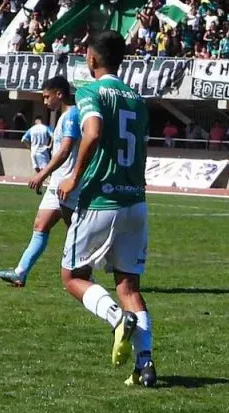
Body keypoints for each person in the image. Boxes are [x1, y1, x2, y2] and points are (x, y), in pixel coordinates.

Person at [55, 30, 156, 388]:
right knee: (129, 286)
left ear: (92, 58)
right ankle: (146, 365)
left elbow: (93, 133)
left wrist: (74, 177)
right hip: (135, 201)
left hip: (101, 199)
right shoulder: (137, 100)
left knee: (73, 277)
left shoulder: (90, 91)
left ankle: (116, 319)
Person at [0, 77, 81, 288]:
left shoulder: (72, 116)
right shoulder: (63, 117)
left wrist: (42, 174)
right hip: (57, 183)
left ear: (59, 94)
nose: (44, 102)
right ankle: (20, 273)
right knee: (40, 225)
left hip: (68, 184)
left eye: (46, 96)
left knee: (77, 232)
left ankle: (86, 275)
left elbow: (65, 151)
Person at [21, 114, 53, 194]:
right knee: (46, 170)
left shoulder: (32, 129)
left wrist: (30, 147)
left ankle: (38, 187)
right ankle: (46, 186)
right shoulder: (45, 128)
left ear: (36, 121)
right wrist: (50, 145)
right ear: (41, 120)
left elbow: (23, 139)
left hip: (34, 152)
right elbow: (53, 136)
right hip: (42, 151)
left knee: (39, 171)